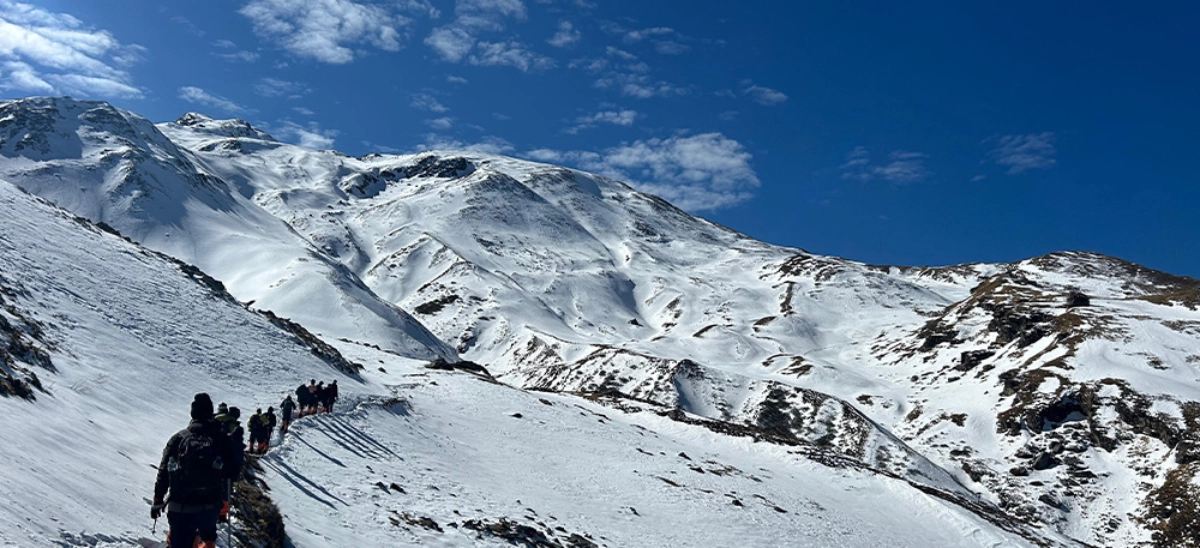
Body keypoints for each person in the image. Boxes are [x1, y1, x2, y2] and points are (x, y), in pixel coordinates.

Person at [151, 393, 239, 548]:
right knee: (207, 541)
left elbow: (164, 471)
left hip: (179, 505)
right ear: (210, 413)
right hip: (208, 506)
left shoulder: (178, 438)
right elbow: (232, 472)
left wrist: (158, 499)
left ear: (192, 413)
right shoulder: (221, 439)